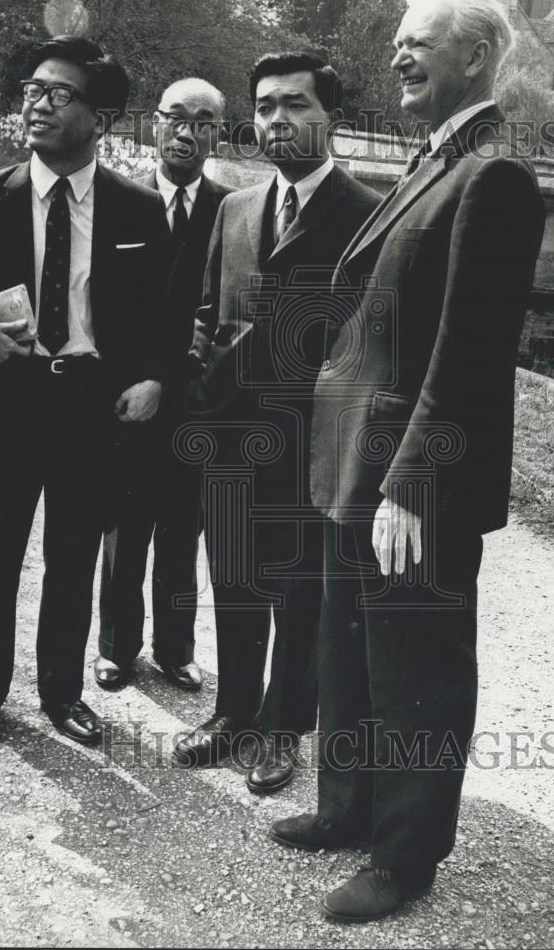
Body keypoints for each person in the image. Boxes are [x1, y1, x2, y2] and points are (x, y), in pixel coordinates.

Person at [270, 0, 546, 922]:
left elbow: (468, 352)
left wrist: (411, 486)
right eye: (394, 42)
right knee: (348, 646)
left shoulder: (493, 175)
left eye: (417, 42)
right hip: (361, 460)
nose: (396, 56)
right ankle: (349, 809)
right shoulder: (441, 161)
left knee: (416, 664)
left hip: (411, 477)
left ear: (475, 57)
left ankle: (406, 854)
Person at [0, 36, 171, 752]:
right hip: (5, 405)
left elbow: (166, 314)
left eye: (59, 93)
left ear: (101, 120)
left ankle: (62, 696)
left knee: (74, 559)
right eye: (32, 90)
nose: (37, 104)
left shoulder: (138, 210)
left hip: (91, 410)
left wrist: (152, 377)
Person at [173, 54, 380, 795]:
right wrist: (197, 386)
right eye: (263, 106)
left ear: (333, 118)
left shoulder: (367, 215)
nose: (276, 120)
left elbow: (370, 342)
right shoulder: (233, 208)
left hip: (310, 442)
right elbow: (207, 312)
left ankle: (282, 727)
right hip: (228, 436)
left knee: (298, 589)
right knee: (232, 577)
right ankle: (232, 714)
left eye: (294, 104)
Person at [94, 78, 233, 692]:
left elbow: (226, 308)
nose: (186, 130)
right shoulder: (117, 201)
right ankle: (116, 649)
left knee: (182, 529)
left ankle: (175, 649)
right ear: (154, 124)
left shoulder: (232, 211)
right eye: (174, 117)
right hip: (125, 400)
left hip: (196, 403)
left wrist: (179, 376)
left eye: (203, 121)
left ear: (217, 134)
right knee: (123, 526)